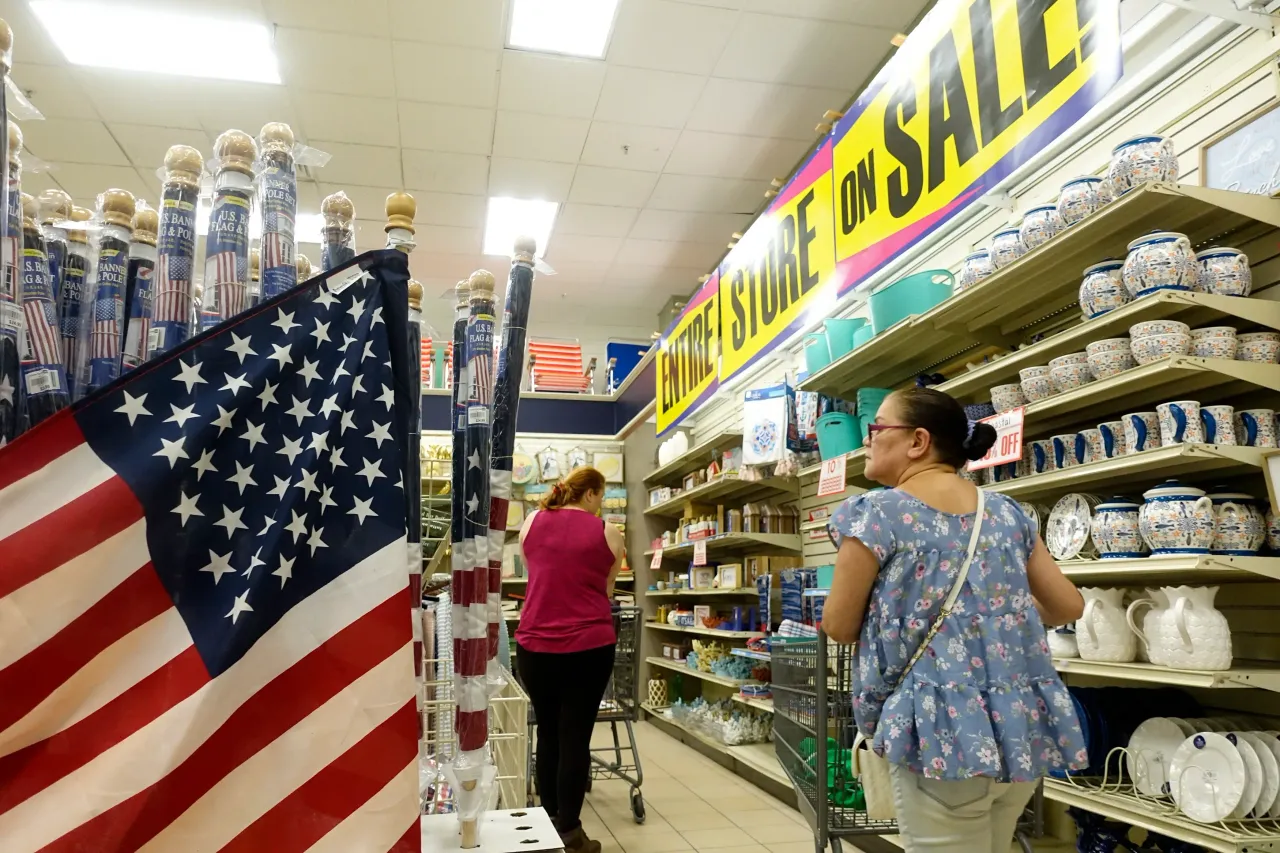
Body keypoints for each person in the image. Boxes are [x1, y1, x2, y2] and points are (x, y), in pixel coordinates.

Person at [821, 387, 1087, 853]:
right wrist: (992, 620)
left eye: (876, 428)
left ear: (917, 441)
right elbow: (1068, 607)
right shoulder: (1006, 513)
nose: (868, 440)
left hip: (941, 739)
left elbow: (839, 625)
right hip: (1018, 729)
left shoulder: (875, 515)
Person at [515, 466, 625, 853]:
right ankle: (570, 832)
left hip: (534, 645)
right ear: (592, 493)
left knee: (547, 732)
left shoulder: (530, 522)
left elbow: (536, 575)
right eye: (602, 495)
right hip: (589, 647)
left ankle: (544, 823)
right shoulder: (609, 533)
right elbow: (607, 588)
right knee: (575, 736)